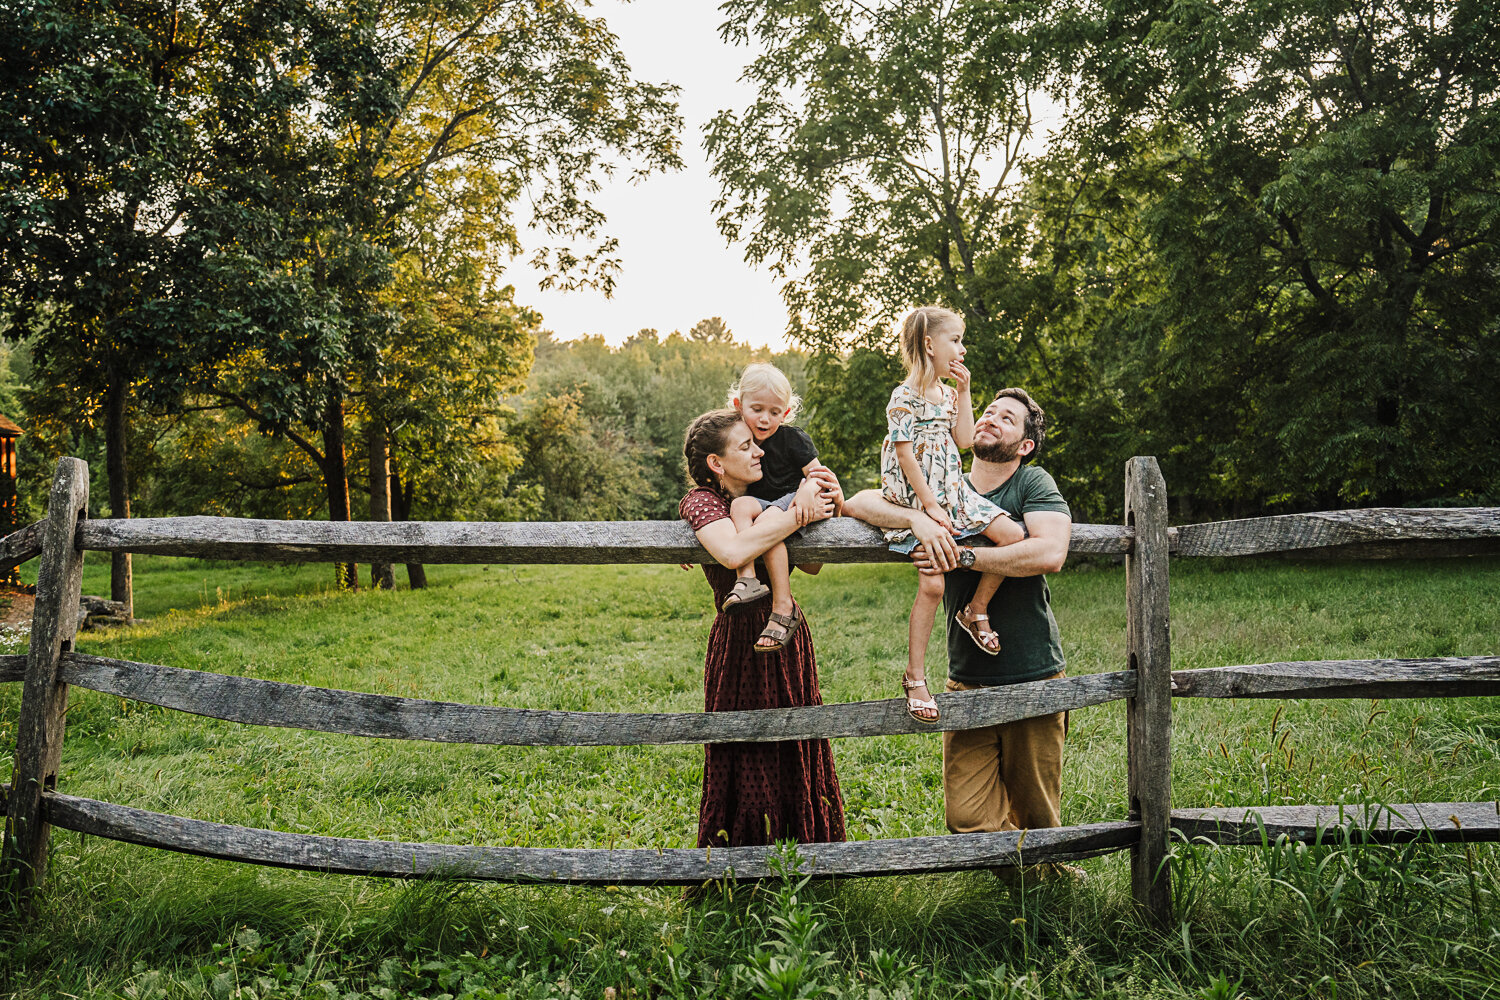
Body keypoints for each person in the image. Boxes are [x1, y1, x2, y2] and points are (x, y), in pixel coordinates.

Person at [844, 388, 1074, 851]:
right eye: (988, 411)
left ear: (1025, 445)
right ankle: (1030, 868)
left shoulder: (1031, 483)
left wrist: (963, 556)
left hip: (1033, 671)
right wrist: (918, 521)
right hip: (966, 677)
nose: (991, 418)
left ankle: (1045, 891)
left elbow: (1051, 552)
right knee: (966, 817)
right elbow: (859, 502)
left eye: (1007, 418)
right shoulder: (944, 485)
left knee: (1038, 814)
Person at [679, 409, 847, 850]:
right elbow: (733, 551)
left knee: (796, 744)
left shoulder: (773, 491)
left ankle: (809, 859)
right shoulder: (702, 502)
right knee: (744, 750)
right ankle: (743, 868)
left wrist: (804, 494)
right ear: (716, 463)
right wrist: (795, 514)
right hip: (739, 641)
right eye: (746, 446)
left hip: (787, 630)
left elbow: (812, 564)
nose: (760, 451)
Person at [879, 307, 1026, 724]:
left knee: (1013, 537)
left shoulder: (946, 394)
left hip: (953, 491)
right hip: (917, 496)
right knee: (932, 587)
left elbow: (964, 442)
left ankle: (975, 609)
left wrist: (964, 393)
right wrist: (927, 507)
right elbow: (905, 455)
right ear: (929, 344)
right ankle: (915, 677)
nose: (962, 349)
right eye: (956, 340)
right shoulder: (903, 397)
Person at [718, 363, 841, 652]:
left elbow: (819, 475)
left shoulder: (792, 438)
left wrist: (809, 490)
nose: (764, 419)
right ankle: (747, 579)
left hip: (791, 499)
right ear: (739, 405)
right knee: (739, 506)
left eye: (774, 412)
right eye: (757, 409)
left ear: (785, 413)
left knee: (770, 523)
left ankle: (783, 606)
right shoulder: (735, 438)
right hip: (762, 505)